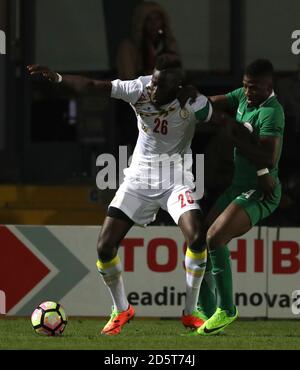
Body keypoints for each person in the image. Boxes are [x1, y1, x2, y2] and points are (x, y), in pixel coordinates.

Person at [27, 53, 213, 336]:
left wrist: (201, 98)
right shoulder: (138, 89)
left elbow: (219, 115)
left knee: (197, 236)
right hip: (138, 179)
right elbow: (91, 85)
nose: (153, 88)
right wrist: (59, 78)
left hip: (175, 180)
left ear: (177, 87)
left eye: (161, 85)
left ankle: (191, 311)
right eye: (154, 80)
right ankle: (121, 308)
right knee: (104, 246)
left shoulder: (191, 102)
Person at [195, 59, 285, 336]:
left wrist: (233, 134)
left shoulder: (271, 112)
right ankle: (205, 310)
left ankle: (227, 309)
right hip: (239, 186)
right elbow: (213, 102)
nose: (247, 93)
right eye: (245, 86)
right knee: (199, 238)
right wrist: (191, 100)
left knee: (214, 238)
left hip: (261, 191)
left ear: (269, 86)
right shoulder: (244, 96)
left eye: (254, 88)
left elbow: (268, 158)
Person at [116, 1, 178, 80]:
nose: (154, 24)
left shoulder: (169, 44)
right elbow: (128, 79)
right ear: (141, 22)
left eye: (157, 19)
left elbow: (178, 73)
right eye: (149, 19)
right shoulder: (128, 47)